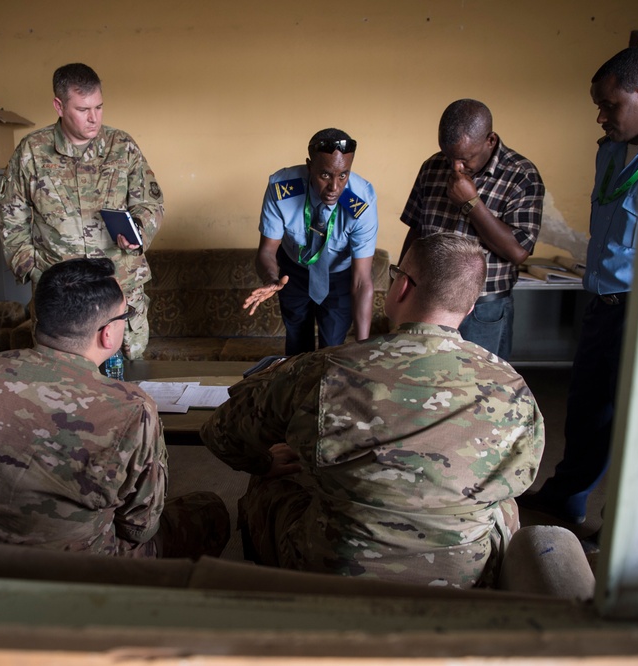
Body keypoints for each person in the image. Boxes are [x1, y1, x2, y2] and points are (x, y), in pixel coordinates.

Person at [202, 233, 544, 588]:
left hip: (334, 570)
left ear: (402, 286)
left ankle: (274, 597)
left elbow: (221, 434)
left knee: (269, 479)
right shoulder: (512, 386)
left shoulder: (326, 367)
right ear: (470, 306)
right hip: (465, 575)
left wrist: (265, 464)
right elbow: (519, 477)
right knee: (504, 507)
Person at [0, 257, 229, 559]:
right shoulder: (130, 408)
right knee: (208, 510)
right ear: (107, 333)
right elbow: (140, 526)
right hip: (78, 570)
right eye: (126, 316)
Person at [520, 47, 638, 525]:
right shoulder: (613, 151)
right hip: (601, 300)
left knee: (630, 420)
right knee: (586, 407)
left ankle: (623, 525)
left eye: (609, 105)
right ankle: (566, 499)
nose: (600, 117)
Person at [0, 62, 164, 359]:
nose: (94, 118)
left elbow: (150, 203)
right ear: (59, 106)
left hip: (119, 291)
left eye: (99, 107)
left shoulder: (121, 146)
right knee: (61, 390)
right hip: (61, 301)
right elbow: (12, 223)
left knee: (127, 386)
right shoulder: (31, 152)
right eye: (83, 109)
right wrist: (37, 273)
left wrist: (138, 229)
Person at [399, 99, 544, 359]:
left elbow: (518, 251)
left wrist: (472, 204)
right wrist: (401, 283)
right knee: (428, 387)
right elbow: (416, 231)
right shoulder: (432, 167)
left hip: (483, 309)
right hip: (429, 302)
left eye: (466, 159)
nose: (455, 167)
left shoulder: (521, 175)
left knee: (481, 390)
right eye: (449, 156)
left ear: (490, 140)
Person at [244, 128, 378, 356]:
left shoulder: (361, 201)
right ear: (309, 166)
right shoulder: (282, 189)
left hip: (339, 277)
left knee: (332, 348)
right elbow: (267, 251)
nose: (334, 187)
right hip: (292, 273)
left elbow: (362, 281)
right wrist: (272, 279)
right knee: (297, 347)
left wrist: (363, 350)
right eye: (325, 175)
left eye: (343, 175)